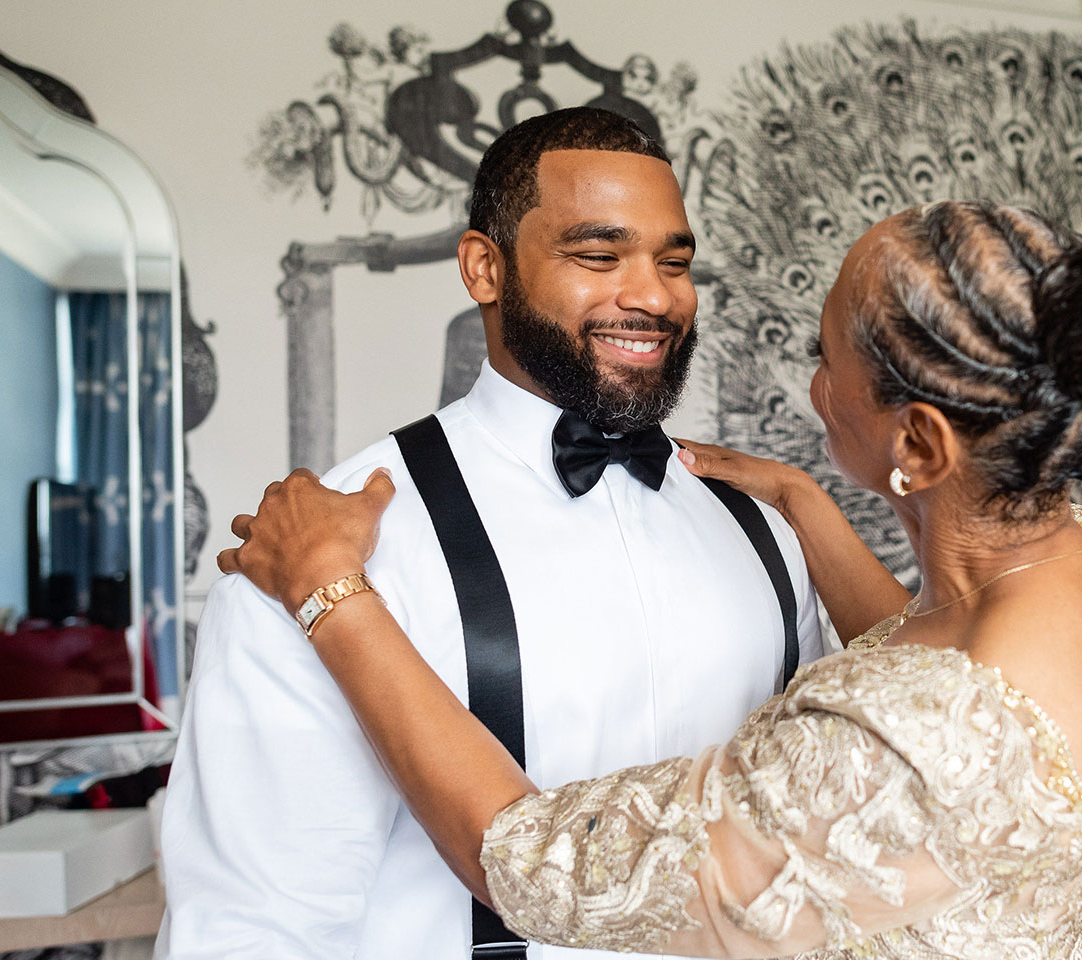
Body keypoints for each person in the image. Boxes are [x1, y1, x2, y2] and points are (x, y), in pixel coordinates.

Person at [221, 199, 1082, 960]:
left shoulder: (900, 745)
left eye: (825, 363)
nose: (810, 390)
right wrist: (804, 504)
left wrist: (329, 588)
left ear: (918, 438)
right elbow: (950, 672)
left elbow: (522, 859)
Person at [156, 108, 825, 960]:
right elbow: (256, 922)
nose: (654, 296)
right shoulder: (317, 549)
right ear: (484, 268)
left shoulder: (763, 535)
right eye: (598, 255)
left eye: (674, 262)